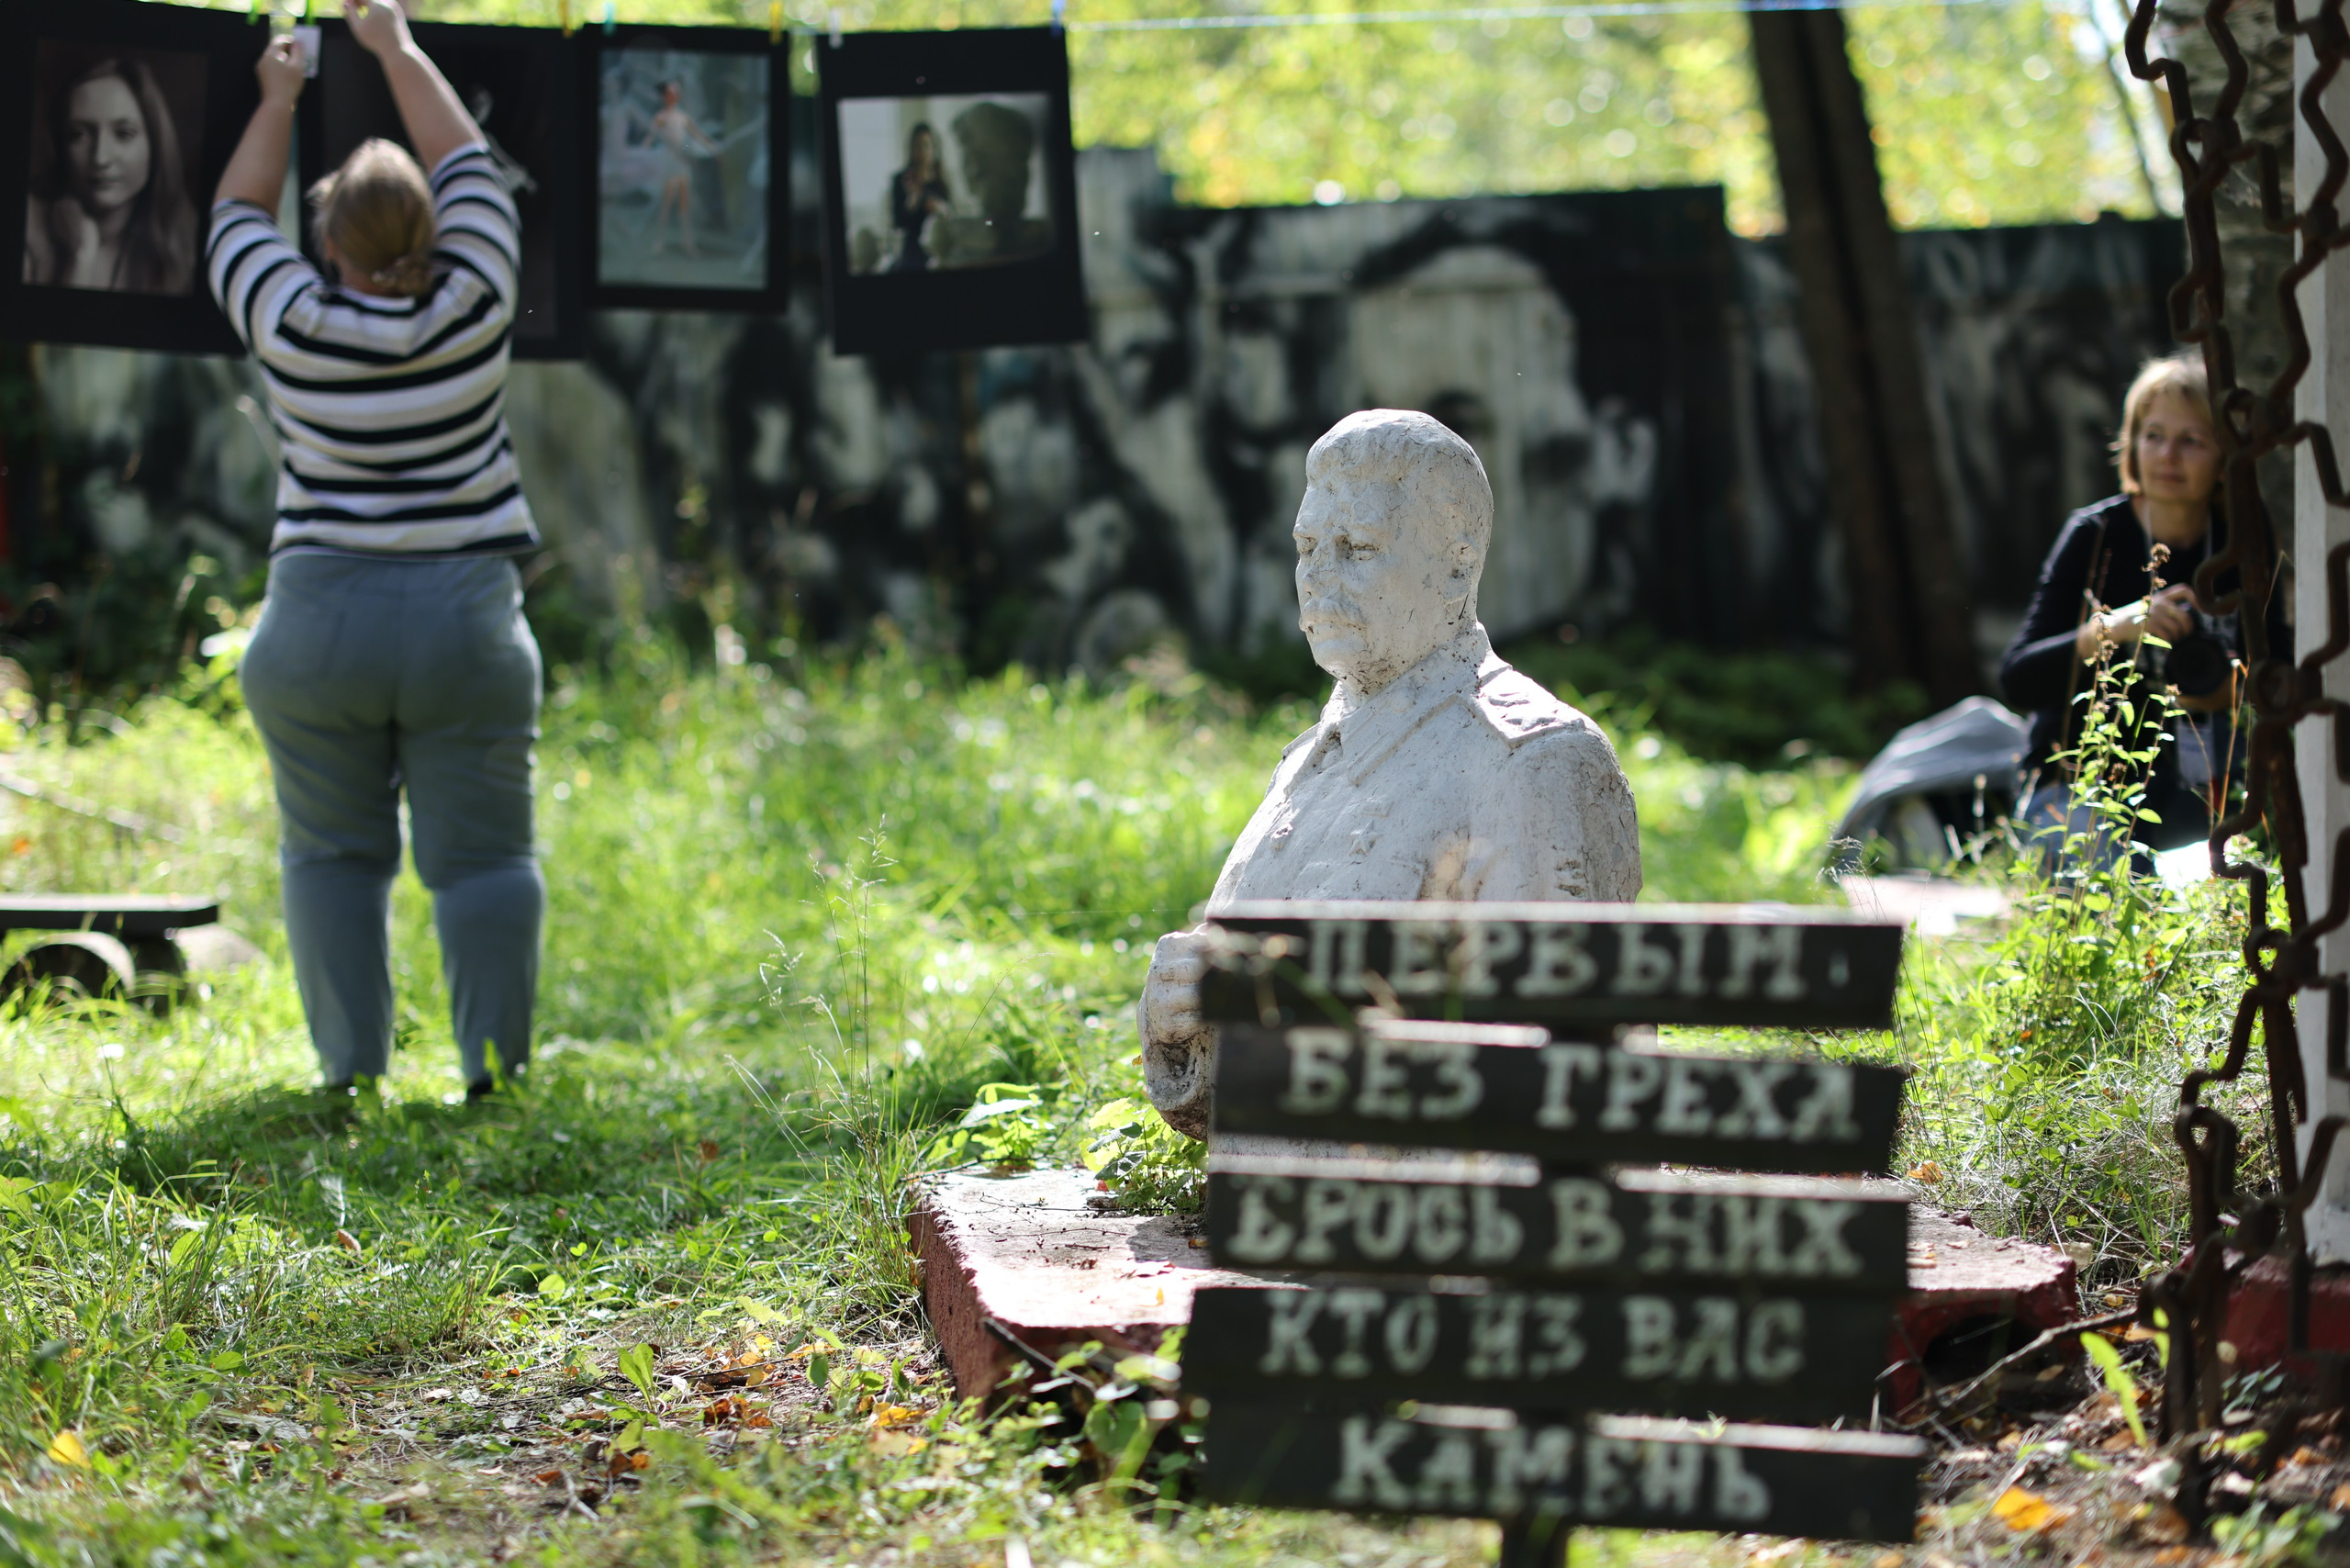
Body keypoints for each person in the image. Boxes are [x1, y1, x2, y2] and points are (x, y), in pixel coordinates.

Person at [206, 0, 543, 1100]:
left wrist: (278, 96)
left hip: (319, 624)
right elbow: (469, 163)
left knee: (331, 858)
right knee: (486, 860)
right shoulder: (478, 300)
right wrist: (394, 48)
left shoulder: (293, 324)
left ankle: (349, 1074)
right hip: (465, 617)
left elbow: (233, 212)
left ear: (330, 246)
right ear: (435, 233)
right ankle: (492, 1071)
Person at [1998, 354, 2288, 867]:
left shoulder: (2243, 544)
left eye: (2192, 440)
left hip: (2207, 782)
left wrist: (2232, 691)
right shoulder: (2095, 537)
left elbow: (2283, 669)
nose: (2168, 456)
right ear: (2131, 444)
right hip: (2077, 786)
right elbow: (2019, 679)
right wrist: (2114, 628)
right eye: (2153, 435)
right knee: (2108, 873)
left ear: (2225, 458)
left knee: (2251, 868)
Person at [24, 56, 199, 294]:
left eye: (124, 134)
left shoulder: (187, 241)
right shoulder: (27, 227)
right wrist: (81, 257)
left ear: (155, 143)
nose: (100, 158)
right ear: (61, 145)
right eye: (79, 135)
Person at [645, 80, 716, 259]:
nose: (673, 97)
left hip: (681, 162)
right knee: (667, 202)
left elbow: (694, 136)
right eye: (670, 94)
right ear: (664, 97)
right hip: (669, 162)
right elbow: (651, 138)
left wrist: (711, 148)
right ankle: (659, 241)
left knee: (685, 204)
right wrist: (641, 153)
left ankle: (688, 242)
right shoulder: (661, 117)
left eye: (675, 94)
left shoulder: (683, 117)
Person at [888, 123, 950, 273]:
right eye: (917, 146)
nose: (922, 152)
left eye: (926, 146)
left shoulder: (941, 182)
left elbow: (951, 218)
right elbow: (897, 223)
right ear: (911, 149)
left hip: (938, 245)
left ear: (934, 149)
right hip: (913, 248)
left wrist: (941, 209)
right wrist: (912, 203)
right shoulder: (901, 180)